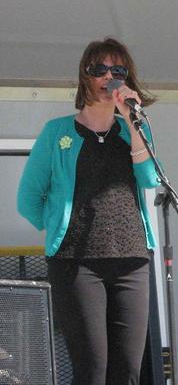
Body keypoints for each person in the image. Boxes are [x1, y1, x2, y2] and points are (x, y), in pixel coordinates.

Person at [17, 37, 158, 385]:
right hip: (77, 265)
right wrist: (59, 230)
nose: (109, 76)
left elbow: (150, 178)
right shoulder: (58, 132)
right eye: (100, 69)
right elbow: (28, 199)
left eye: (118, 70)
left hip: (132, 261)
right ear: (86, 75)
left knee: (127, 370)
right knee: (92, 368)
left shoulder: (134, 128)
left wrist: (131, 121)